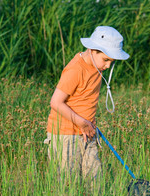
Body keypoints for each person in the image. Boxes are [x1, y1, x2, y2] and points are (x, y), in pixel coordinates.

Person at [44, 26, 130, 179]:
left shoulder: (98, 68)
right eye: (106, 60)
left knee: (95, 181)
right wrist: (81, 122)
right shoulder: (76, 70)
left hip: (86, 132)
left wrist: (88, 123)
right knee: (68, 184)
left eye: (112, 61)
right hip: (65, 134)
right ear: (92, 50)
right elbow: (56, 102)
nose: (108, 66)